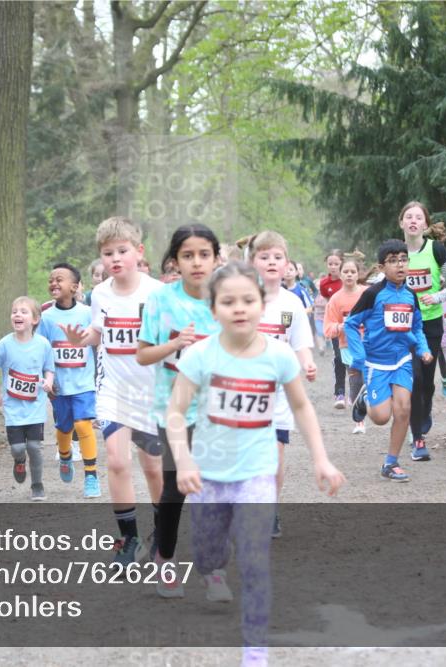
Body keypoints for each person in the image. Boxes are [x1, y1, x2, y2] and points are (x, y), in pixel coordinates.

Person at [167, 260, 345, 667]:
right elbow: (175, 412)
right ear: (213, 310)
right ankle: (212, 567)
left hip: (257, 472)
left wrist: (321, 459)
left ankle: (255, 651)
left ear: (261, 305)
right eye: (228, 301)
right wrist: (185, 461)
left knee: (253, 558)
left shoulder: (279, 356)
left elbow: (301, 407)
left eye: (248, 299)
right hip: (208, 477)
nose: (239, 308)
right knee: (210, 553)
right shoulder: (198, 355)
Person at [63, 217, 164, 568]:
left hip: (149, 392)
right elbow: (97, 332)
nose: (115, 258)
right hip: (112, 389)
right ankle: (129, 540)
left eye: (122, 251)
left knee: (152, 468)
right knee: (118, 461)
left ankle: (162, 533)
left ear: (139, 252)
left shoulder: (156, 293)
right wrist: (82, 339)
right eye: (108, 253)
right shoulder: (100, 293)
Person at [137, 224, 221, 597]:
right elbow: (142, 355)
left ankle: (212, 567)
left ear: (217, 259)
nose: (197, 262)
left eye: (204, 254)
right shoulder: (160, 300)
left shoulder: (226, 298)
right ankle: (166, 561)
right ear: (175, 261)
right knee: (176, 490)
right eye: (188, 255)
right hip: (173, 411)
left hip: (218, 411)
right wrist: (174, 344)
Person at [247, 231, 317, 539]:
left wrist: (307, 362)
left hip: (278, 393)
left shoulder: (293, 303)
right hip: (243, 392)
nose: (271, 262)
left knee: (274, 454)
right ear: (253, 263)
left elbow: (300, 342)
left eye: (277, 257)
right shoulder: (243, 298)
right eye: (264, 257)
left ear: (287, 264)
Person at [346, 239, 433, 481]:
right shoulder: (373, 294)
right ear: (382, 267)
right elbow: (351, 324)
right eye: (393, 261)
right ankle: (364, 399)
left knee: (403, 408)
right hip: (376, 362)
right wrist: (359, 356)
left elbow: (417, 327)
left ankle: (391, 463)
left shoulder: (411, 296)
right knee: (382, 417)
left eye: (403, 259)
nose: (400, 265)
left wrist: (423, 348)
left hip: (402, 360)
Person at [399, 204, 446, 460]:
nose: (413, 221)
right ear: (401, 222)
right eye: (409, 217)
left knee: (426, 380)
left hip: (431, 325)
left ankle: (424, 412)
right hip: (402, 325)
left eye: (419, 217)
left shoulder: (437, 250)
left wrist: (436, 296)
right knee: (412, 378)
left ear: (425, 224)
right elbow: (382, 282)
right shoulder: (396, 252)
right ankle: (417, 438)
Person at [39, 263, 100, 498]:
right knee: (64, 427)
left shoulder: (86, 313)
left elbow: (97, 341)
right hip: (59, 386)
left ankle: (91, 476)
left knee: (83, 425)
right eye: (51, 279)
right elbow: (40, 350)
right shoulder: (45, 317)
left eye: (60, 279)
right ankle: (65, 456)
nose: (54, 282)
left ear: (74, 287)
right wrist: (44, 379)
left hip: (84, 383)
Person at [0, 296, 56, 501]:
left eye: (23, 311)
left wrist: (49, 382)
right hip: (13, 407)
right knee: (18, 447)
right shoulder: (5, 344)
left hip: (35, 406)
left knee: (34, 447)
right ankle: (19, 460)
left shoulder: (43, 344)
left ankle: (37, 485)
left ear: (35, 320)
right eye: (14, 311)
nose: (17, 314)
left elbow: (49, 369)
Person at [324, 255, 367, 431]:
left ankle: (374, 405)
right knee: (356, 379)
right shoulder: (335, 299)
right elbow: (328, 328)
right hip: (347, 345)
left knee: (370, 379)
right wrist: (342, 326)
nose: (349, 275)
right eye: (346, 272)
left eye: (353, 271)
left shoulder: (367, 293)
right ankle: (359, 421)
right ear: (340, 275)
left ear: (358, 274)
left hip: (370, 343)